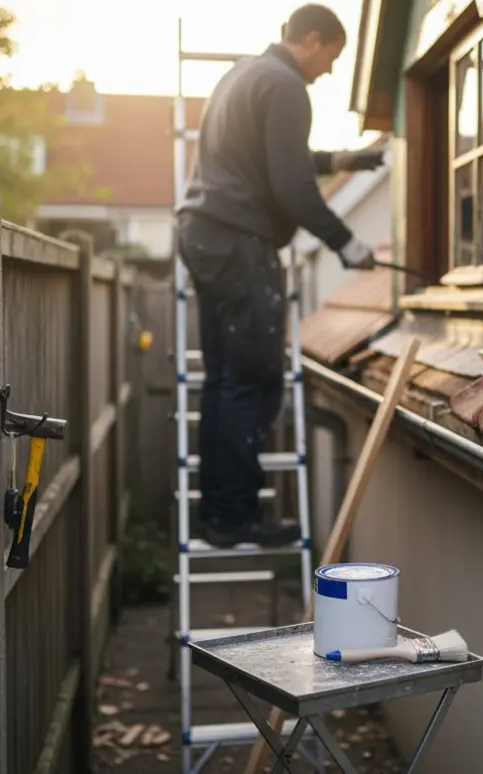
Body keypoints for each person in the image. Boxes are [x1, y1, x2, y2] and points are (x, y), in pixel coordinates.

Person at [176, 3, 383, 548]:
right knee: (254, 378)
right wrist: (348, 244)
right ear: (312, 40)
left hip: (204, 234)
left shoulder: (244, 75)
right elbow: (290, 187)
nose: (330, 72)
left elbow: (275, 157)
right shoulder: (288, 87)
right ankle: (236, 518)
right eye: (332, 58)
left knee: (224, 379)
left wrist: (344, 160)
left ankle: (217, 515)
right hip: (240, 241)